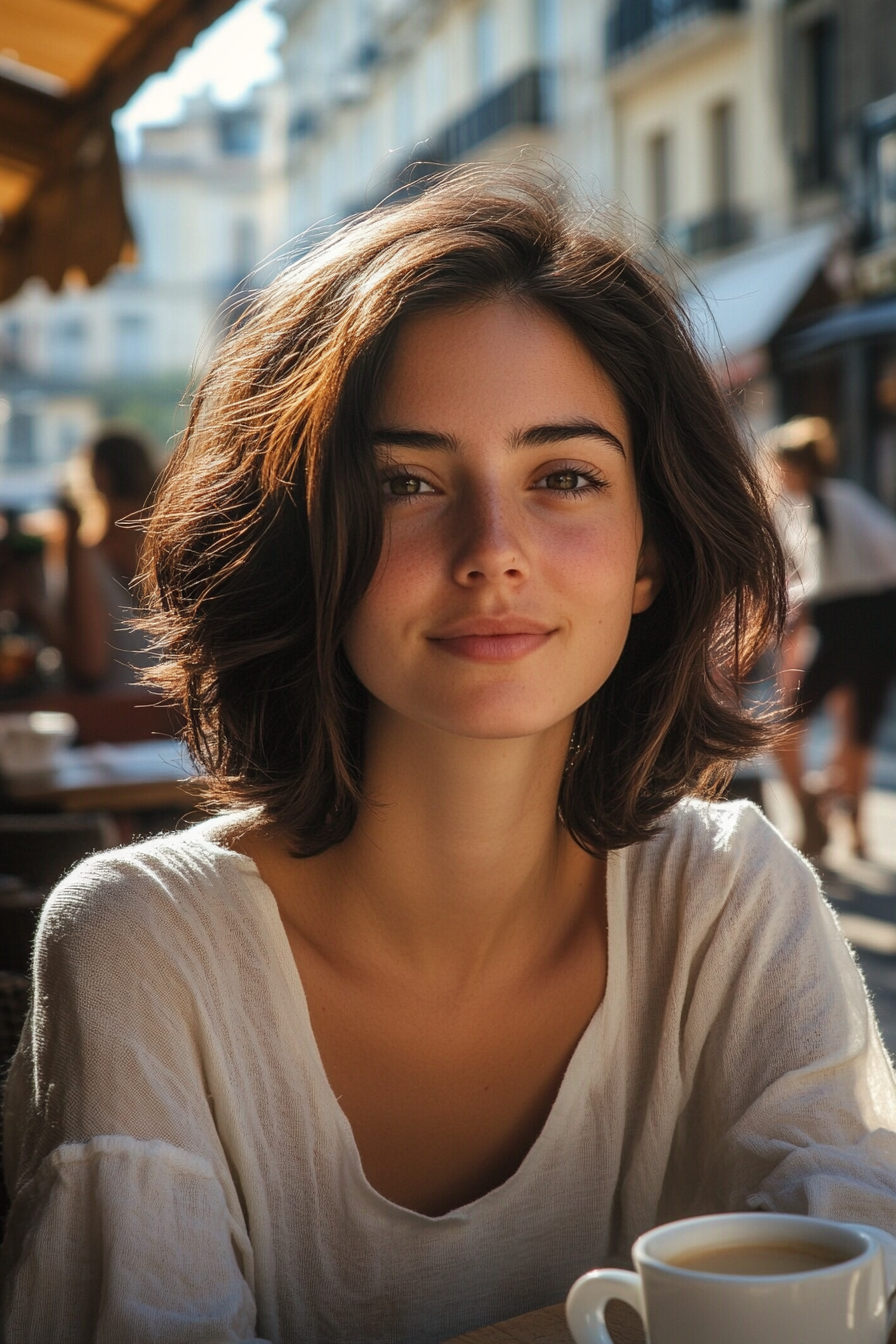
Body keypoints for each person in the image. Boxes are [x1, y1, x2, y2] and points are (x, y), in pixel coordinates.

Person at [4, 169, 896, 1343]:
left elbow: (857, 1276)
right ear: (302, 542)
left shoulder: (727, 898)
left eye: (563, 477)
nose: (493, 551)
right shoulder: (146, 948)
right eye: (407, 482)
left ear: (652, 553)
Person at [770, 416, 896, 858]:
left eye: (780, 467)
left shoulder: (836, 501)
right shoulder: (803, 508)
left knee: (841, 729)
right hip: (861, 622)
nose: (776, 477)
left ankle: (835, 818)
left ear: (797, 466)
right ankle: (827, 813)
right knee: (849, 730)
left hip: (859, 620)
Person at [59, 428, 159, 689]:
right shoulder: (178, 546)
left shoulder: (89, 557)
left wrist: (33, 606)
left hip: (120, 718)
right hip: (185, 717)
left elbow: (89, 663)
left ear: (99, 476)